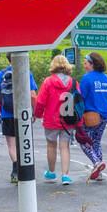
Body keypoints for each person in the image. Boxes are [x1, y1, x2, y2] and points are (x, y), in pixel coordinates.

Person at [35, 54, 79, 185]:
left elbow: (41, 101)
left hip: (51, 119)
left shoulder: (48, 82)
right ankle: (65, 175)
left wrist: (37, 114)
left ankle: (52, 172)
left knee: (51, 146)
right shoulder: (73, 82)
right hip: (68, 120)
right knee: (64, 147)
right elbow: (78, 100)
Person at [0, 60, 37, 184]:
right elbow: (32, 94)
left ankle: (15, 169)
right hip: (23, 113)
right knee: (24, 141)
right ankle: (25, 169)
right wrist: (33, 112)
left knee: (11, 144)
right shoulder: (26, 72)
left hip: (7, 114)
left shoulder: (1, 74)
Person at [77, 52, 107, 180]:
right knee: (97, 143)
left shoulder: (86, 78)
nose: (84, 63)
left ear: (92, 63)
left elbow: (81, 98)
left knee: (83, 140)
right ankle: (99, 173)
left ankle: (96, 163)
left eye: (86, 61)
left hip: (90, 115)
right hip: (104, 116)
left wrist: (78, 115)